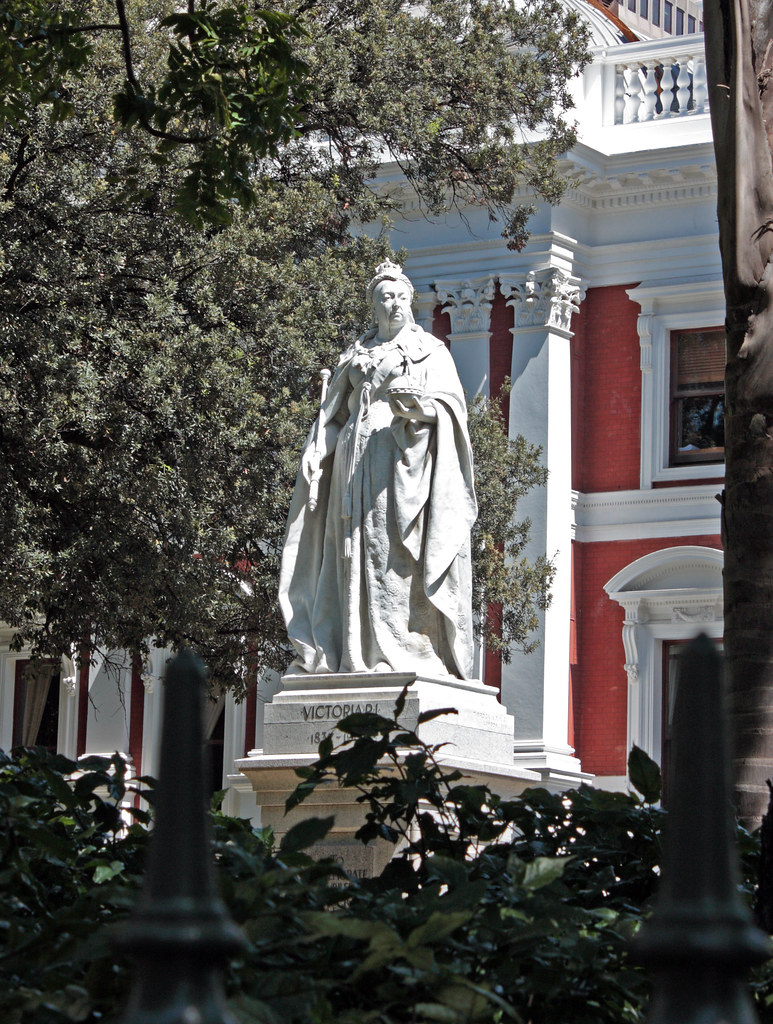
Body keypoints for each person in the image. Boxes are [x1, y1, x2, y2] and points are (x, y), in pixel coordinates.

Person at [279, 261, 477, 679]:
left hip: (399, 462)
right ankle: (351, 650)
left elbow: (452, 409)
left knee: (394, 556)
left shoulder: (430, 351)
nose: (394, 304)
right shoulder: (356, 353)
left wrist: (420, 408)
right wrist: (318, 452)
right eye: (385, 297)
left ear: (411, 301)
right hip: (351, 466)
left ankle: (404, 649)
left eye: (401, 297)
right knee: (347, 554)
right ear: (374, 305)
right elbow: (333, 418)